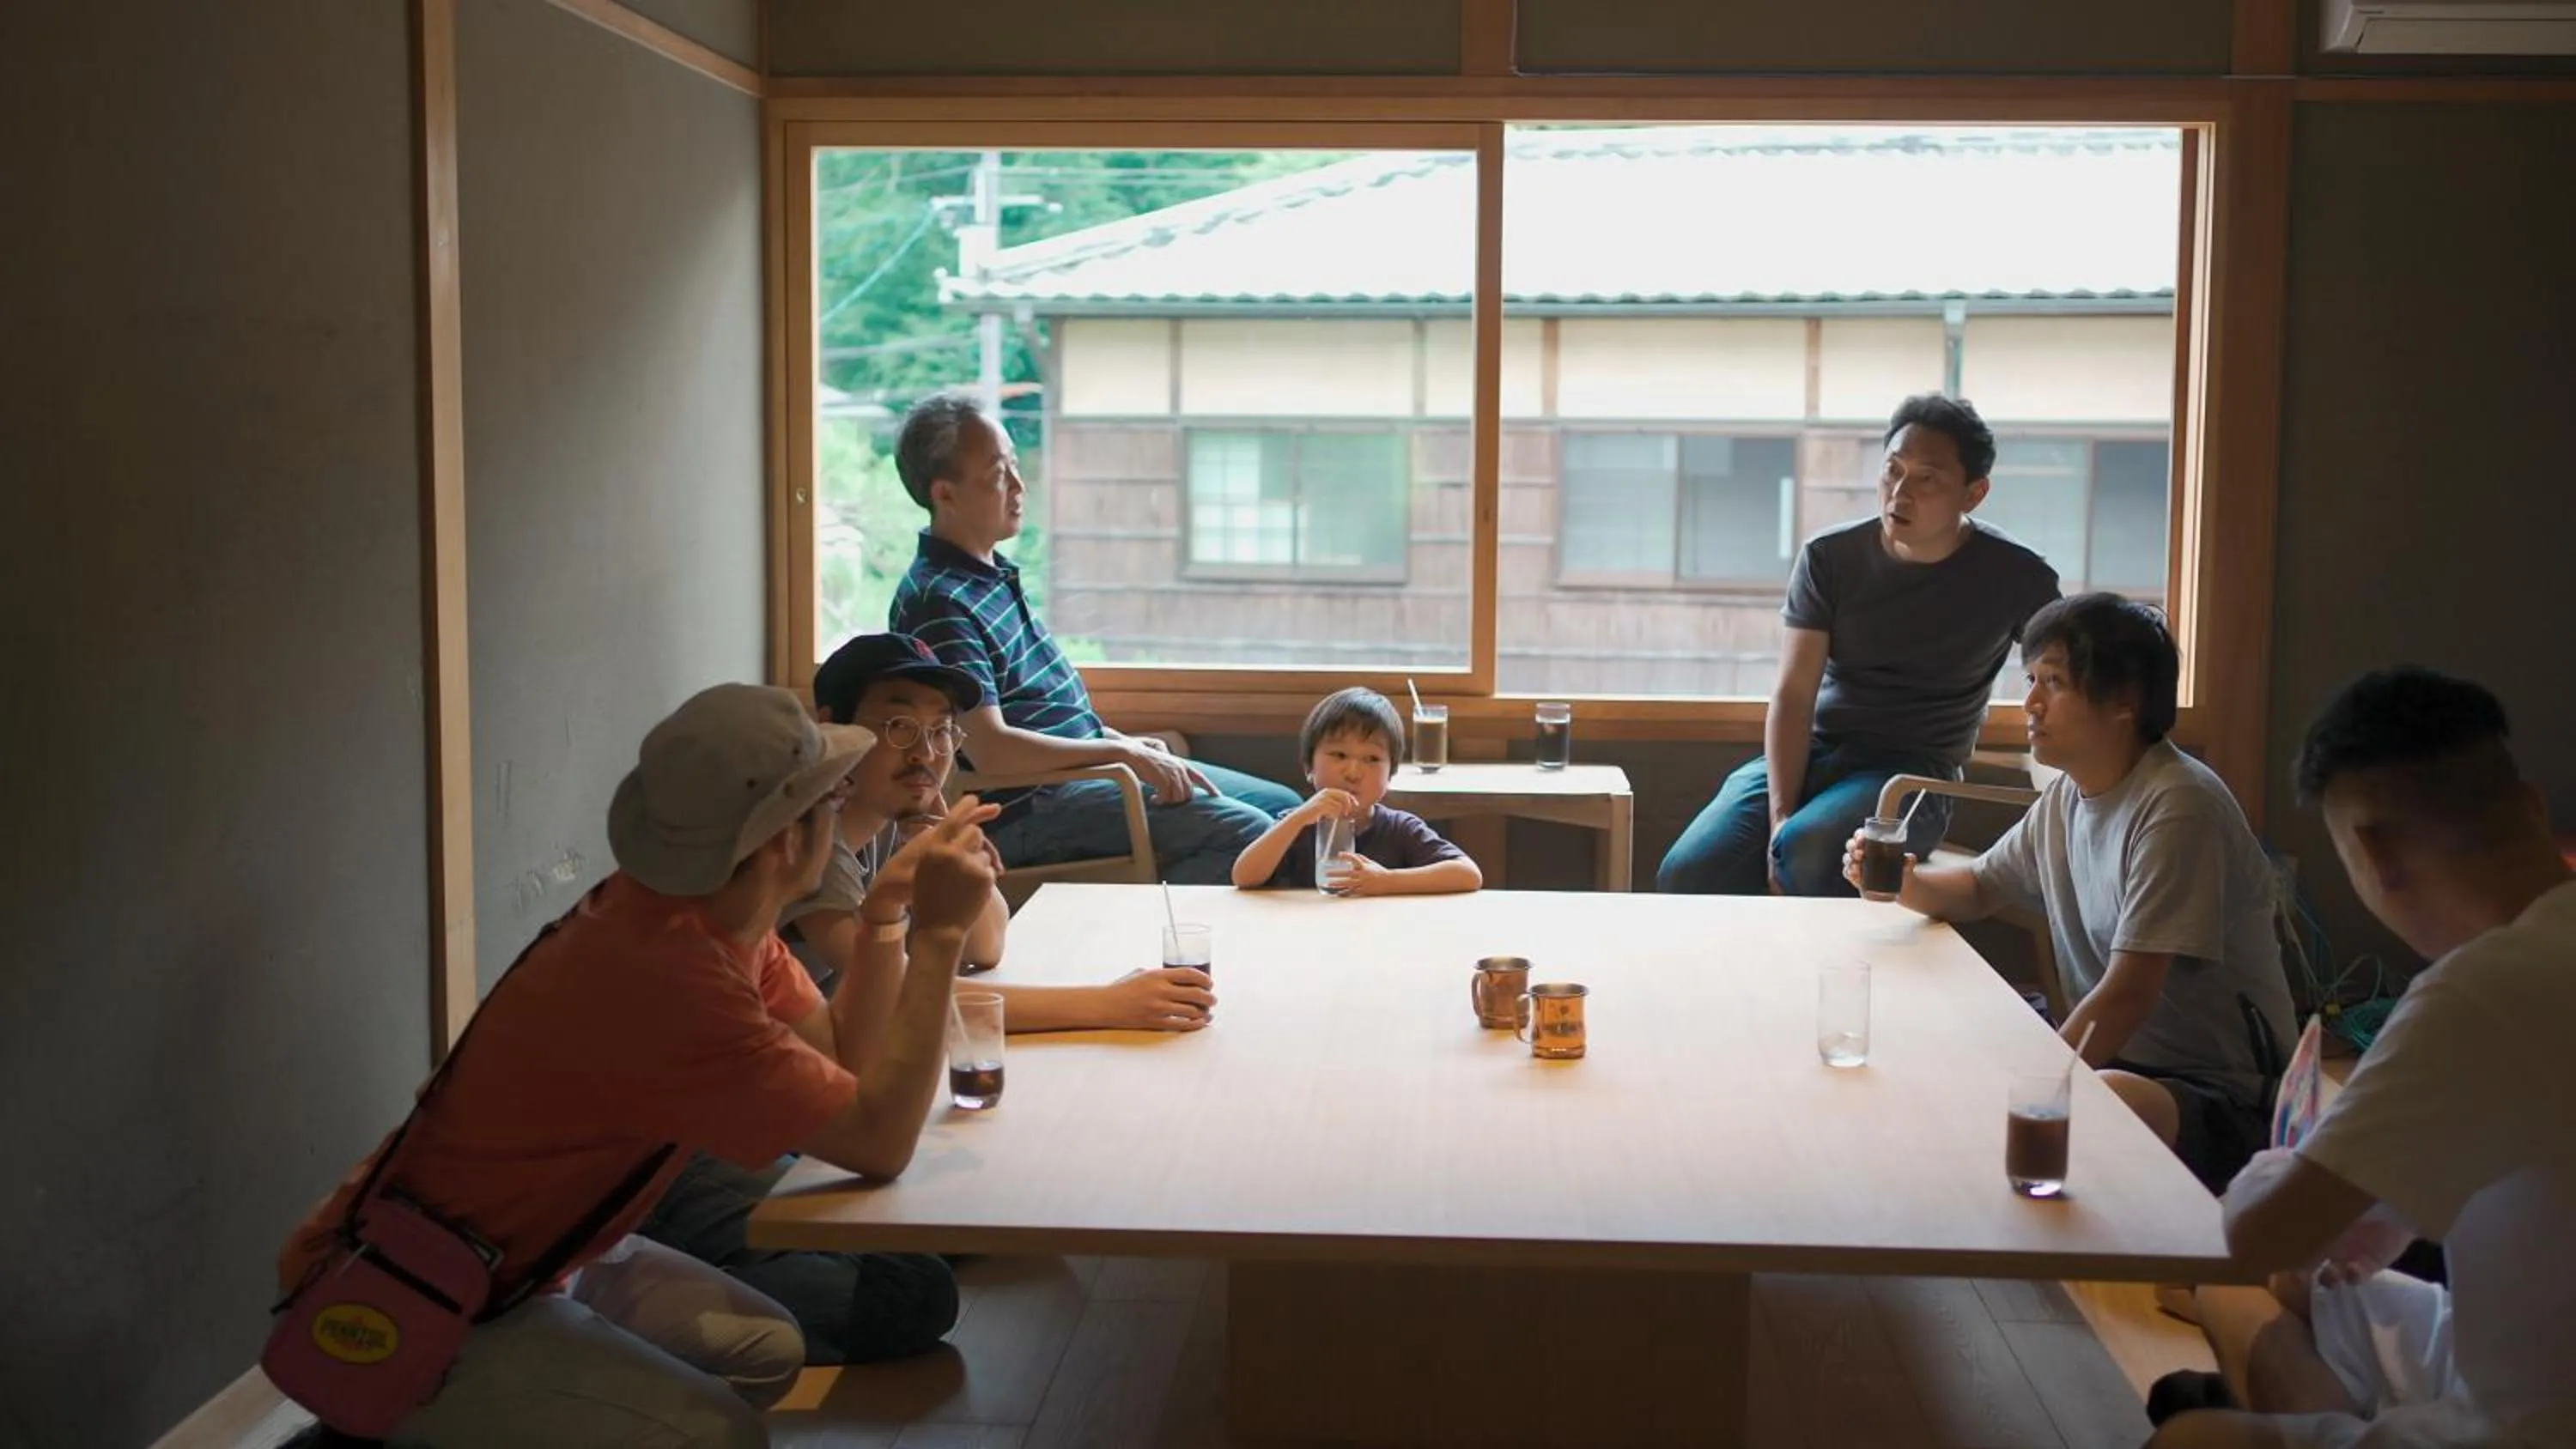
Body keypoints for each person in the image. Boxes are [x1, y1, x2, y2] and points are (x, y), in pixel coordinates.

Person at [273, 684, 999, 1446]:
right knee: (720, 1434)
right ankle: (377, 1423)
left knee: (767, 1351)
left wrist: (885, 913)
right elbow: (879, 1142)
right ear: (787, 840)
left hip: (551, 1254)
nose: (842, 814)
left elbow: (846, 1056)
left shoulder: (702, 917)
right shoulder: (670, 976)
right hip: (426, 1288)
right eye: (831, 800)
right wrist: (941, 938)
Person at [2148, 668, 2576, 1449]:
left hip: (2529, 1423)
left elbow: (2259, 1238)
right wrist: (2387, 1207)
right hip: (2511, 1345)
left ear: (2373, 854)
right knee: (2298, 1286)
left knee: (2197, 1426)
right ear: (2533, 806)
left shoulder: (2478, 992)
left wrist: (2287, 1164)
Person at [1848, 594, 2296, 1191]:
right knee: (1956, 1027)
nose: (2030, 702)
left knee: (2099, 1105)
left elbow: (2128, 994)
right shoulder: (2069, 795)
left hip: (2228, 1095)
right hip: (2121, 1060)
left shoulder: (2178, 805)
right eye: (2031, 679)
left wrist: (2040, 1091)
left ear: (2124, 703)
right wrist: (1903, 883)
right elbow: (1981, 887)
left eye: (2054, 682)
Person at [884, 392, 1300, 882]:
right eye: (999, 474)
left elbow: (1044, 715)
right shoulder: (940, 599)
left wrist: (1120, 742)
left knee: (1286, 811)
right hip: (1028, 807)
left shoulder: (989, 578)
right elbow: (994, 749)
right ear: (945, 494)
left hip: (1076, 782)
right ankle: (1155, 948)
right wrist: (1120, 754)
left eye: (1015, 466)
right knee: (1249, 834)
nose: (1019, 486)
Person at [1660, 392, 2061, 898]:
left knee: (1806, 852)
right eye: (1893, 471)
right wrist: (1779, 817)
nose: (1900, 493)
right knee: (1689, 869)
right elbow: (1794, 695)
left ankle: (1823, 978)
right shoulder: (1830, 557)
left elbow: (2063, 678)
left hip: (1916, 774)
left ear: (1973, 493)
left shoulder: (2015, 575)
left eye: (1927, 479)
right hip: (1818, 753)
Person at [1232, 687, 1482, 896]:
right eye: (1339, 755)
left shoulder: (1399, 829)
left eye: (1372, 759)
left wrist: (1386, 881)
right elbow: (1244, 877)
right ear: (1309, 767)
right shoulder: (1294, 825)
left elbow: (1468, 874)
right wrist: (1298, 818)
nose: (1353, 772)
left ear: (1390, 775)